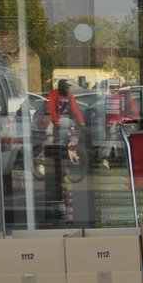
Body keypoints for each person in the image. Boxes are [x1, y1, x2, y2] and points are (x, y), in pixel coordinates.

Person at [44, 78, 86, 219]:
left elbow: (75, 109)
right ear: (61, 87)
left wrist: (82, 123)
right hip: (55, 123)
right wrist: (55, 122)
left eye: (69, 87)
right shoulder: (53, 94)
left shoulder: (70, 96)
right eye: (67, 87)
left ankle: (71, 150)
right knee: (54, 138)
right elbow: (50, 110)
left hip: (64, 123)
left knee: (72, 129)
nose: (68, 90)